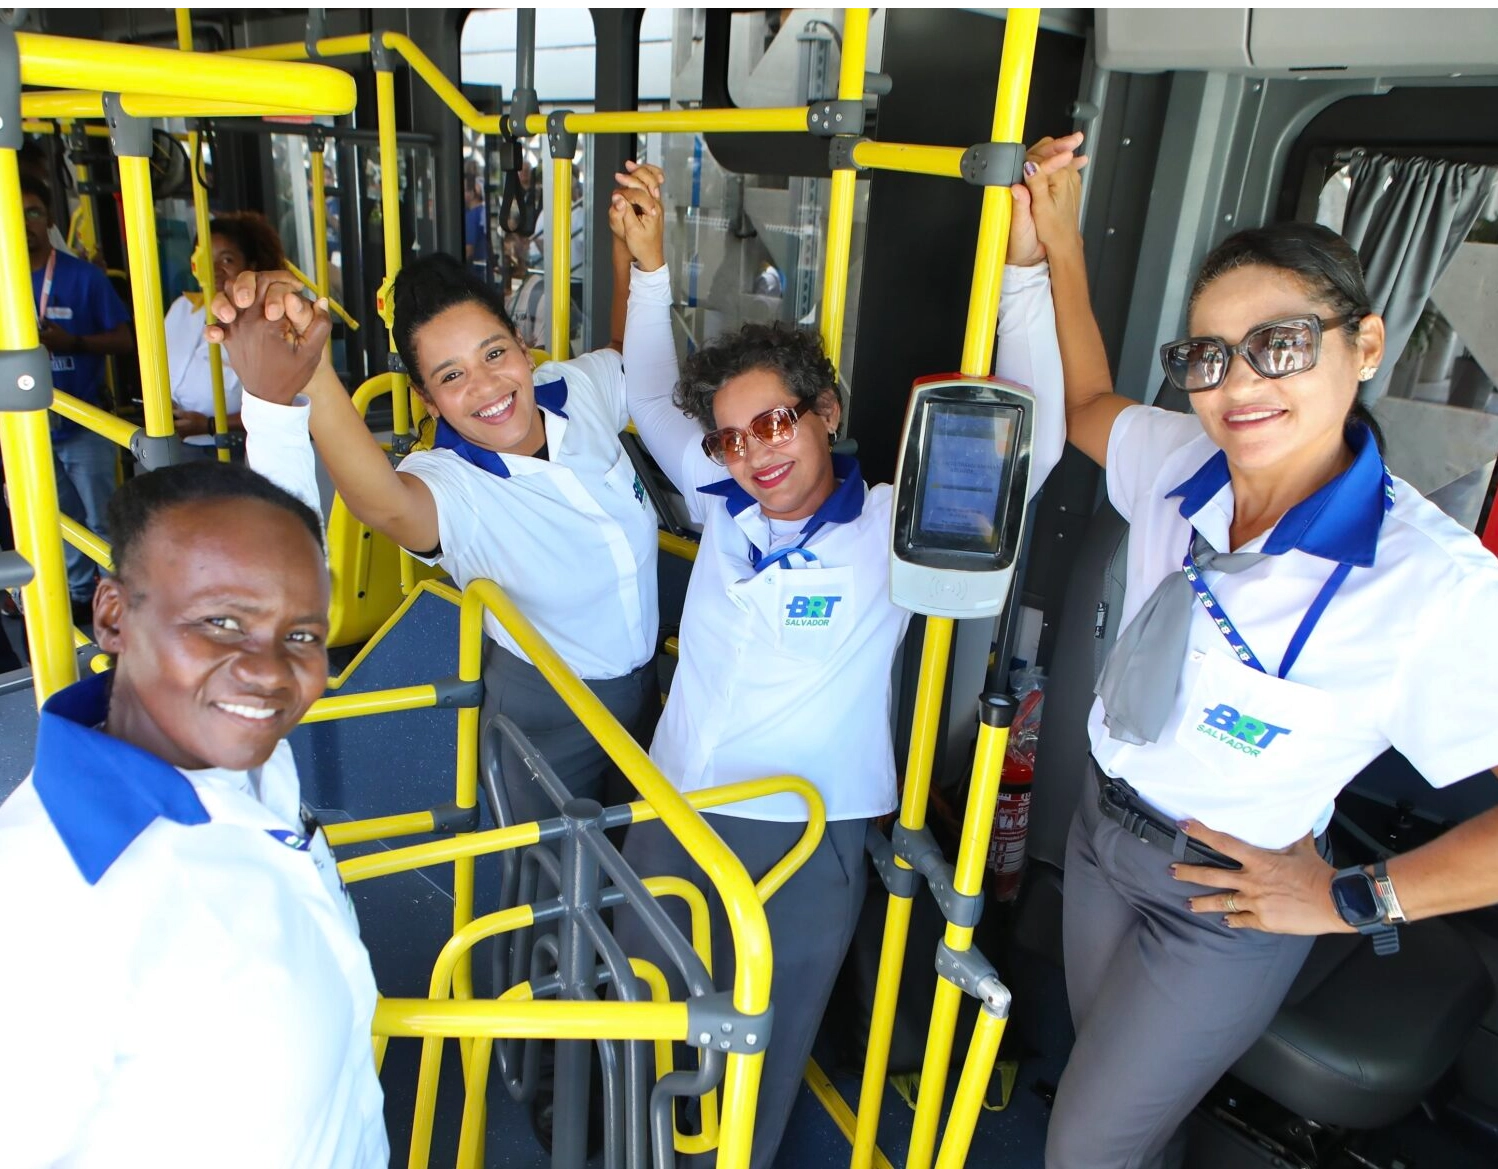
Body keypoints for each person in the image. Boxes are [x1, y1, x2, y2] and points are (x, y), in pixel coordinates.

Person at [1015, 132, 1498, 1169]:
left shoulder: (1430, 583)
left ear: (1362, 344)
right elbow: (1094, 403)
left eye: (1279, 342)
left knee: (1081, 1147)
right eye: (1207, 355)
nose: (1238, 384)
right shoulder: (1181, 460)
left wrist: (1350, 896)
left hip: (1224, 902)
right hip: (1102, 835)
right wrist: (1056, 244)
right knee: (1109, 1082)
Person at [606, 160, 1067, 1168]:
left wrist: (1028, 274)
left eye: (773, 422)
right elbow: (646, 394)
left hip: (799, 833)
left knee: (756, 1048)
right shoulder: (724, 499)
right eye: (730, 437)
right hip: (671, 800)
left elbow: (1031, 453)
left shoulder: (891, 529)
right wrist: (648, 267)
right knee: (644, 1013)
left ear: (822, 410)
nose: (752, 453)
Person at [206, 212, 669, 838]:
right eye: (451, 377)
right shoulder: (450, 485)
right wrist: (305, 362)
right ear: (427, 399)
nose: (486, 386)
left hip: (645, 689)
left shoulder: (574, 388)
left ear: (521, 344)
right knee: (555, 889)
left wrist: (634, 253)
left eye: (495, 353)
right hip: (551, 714)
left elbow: (626, 360)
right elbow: (383, 502)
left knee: (638, 855)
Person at [0, 461, 388, 1167]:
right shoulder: (41, 909)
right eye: (222, 622)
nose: (270, 670)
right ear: (113, 615)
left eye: (302, 634)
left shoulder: (242, 756)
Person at [22, 173, 134, 624]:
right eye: (15, 213)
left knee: (102, 518)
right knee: (58, 518)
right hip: (27, 427)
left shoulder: (83, 278)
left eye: (33, 211)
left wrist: (75, 343)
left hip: (85, 419)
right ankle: (81, 597)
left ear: (49, 219)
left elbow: (126, 341)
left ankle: (121, 601)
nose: (25, 221)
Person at [164, 211, 287, 453]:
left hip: (235, 446)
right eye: (204, 259)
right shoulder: (182, 308)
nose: (214, 270)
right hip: (177, 443)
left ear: (250, 266)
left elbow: (281, 403)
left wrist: (209, 425)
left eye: (227, 260)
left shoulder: (265, 318)